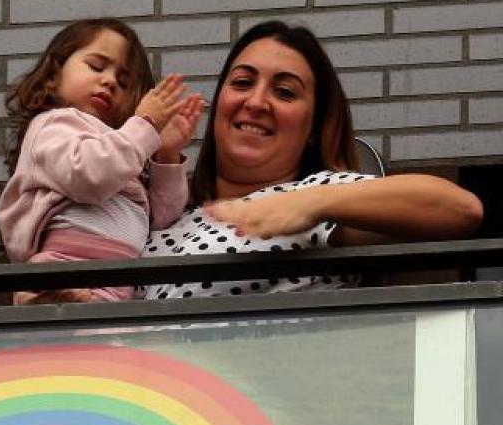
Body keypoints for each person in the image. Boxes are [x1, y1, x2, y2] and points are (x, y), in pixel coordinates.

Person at [143, 20, 483, 299]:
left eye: (285, 92)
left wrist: (311, 204)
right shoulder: (164, 216)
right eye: (243, 82)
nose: (257, 102)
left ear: (314, 130)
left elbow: (459, 210)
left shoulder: (318, 197)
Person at [0, 17, 205, 303]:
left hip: (118, 283)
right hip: (66, 261)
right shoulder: (53, 125)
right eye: (96, 66)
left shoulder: (126, 147)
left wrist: (166, 154)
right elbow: (89, 175)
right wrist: (143, 125)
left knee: (106, 337)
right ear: (54, 76)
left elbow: (161, 216)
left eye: (123, 82)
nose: (109, 81)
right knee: (58, 307)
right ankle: (42, 299)